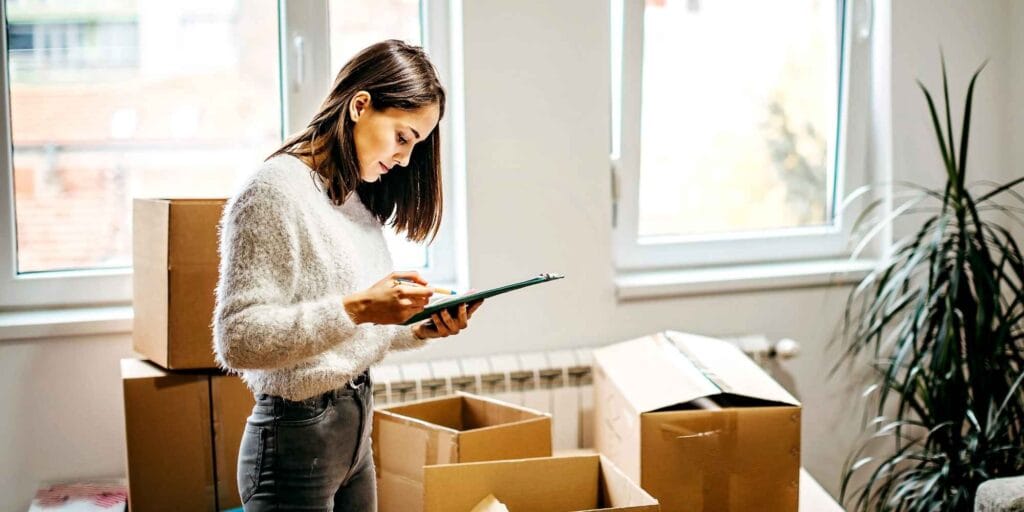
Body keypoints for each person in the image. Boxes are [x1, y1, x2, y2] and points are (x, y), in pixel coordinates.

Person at [212, 39, 481, 511]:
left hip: (354, 431)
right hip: (294, 442)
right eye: (402, 137)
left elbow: (346, 335)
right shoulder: (274, 192)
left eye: (414, 146)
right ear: (361, 106)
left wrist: (417, 327)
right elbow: (237, 339)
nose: (404, 159)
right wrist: (357, 307)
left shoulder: (351, 198)